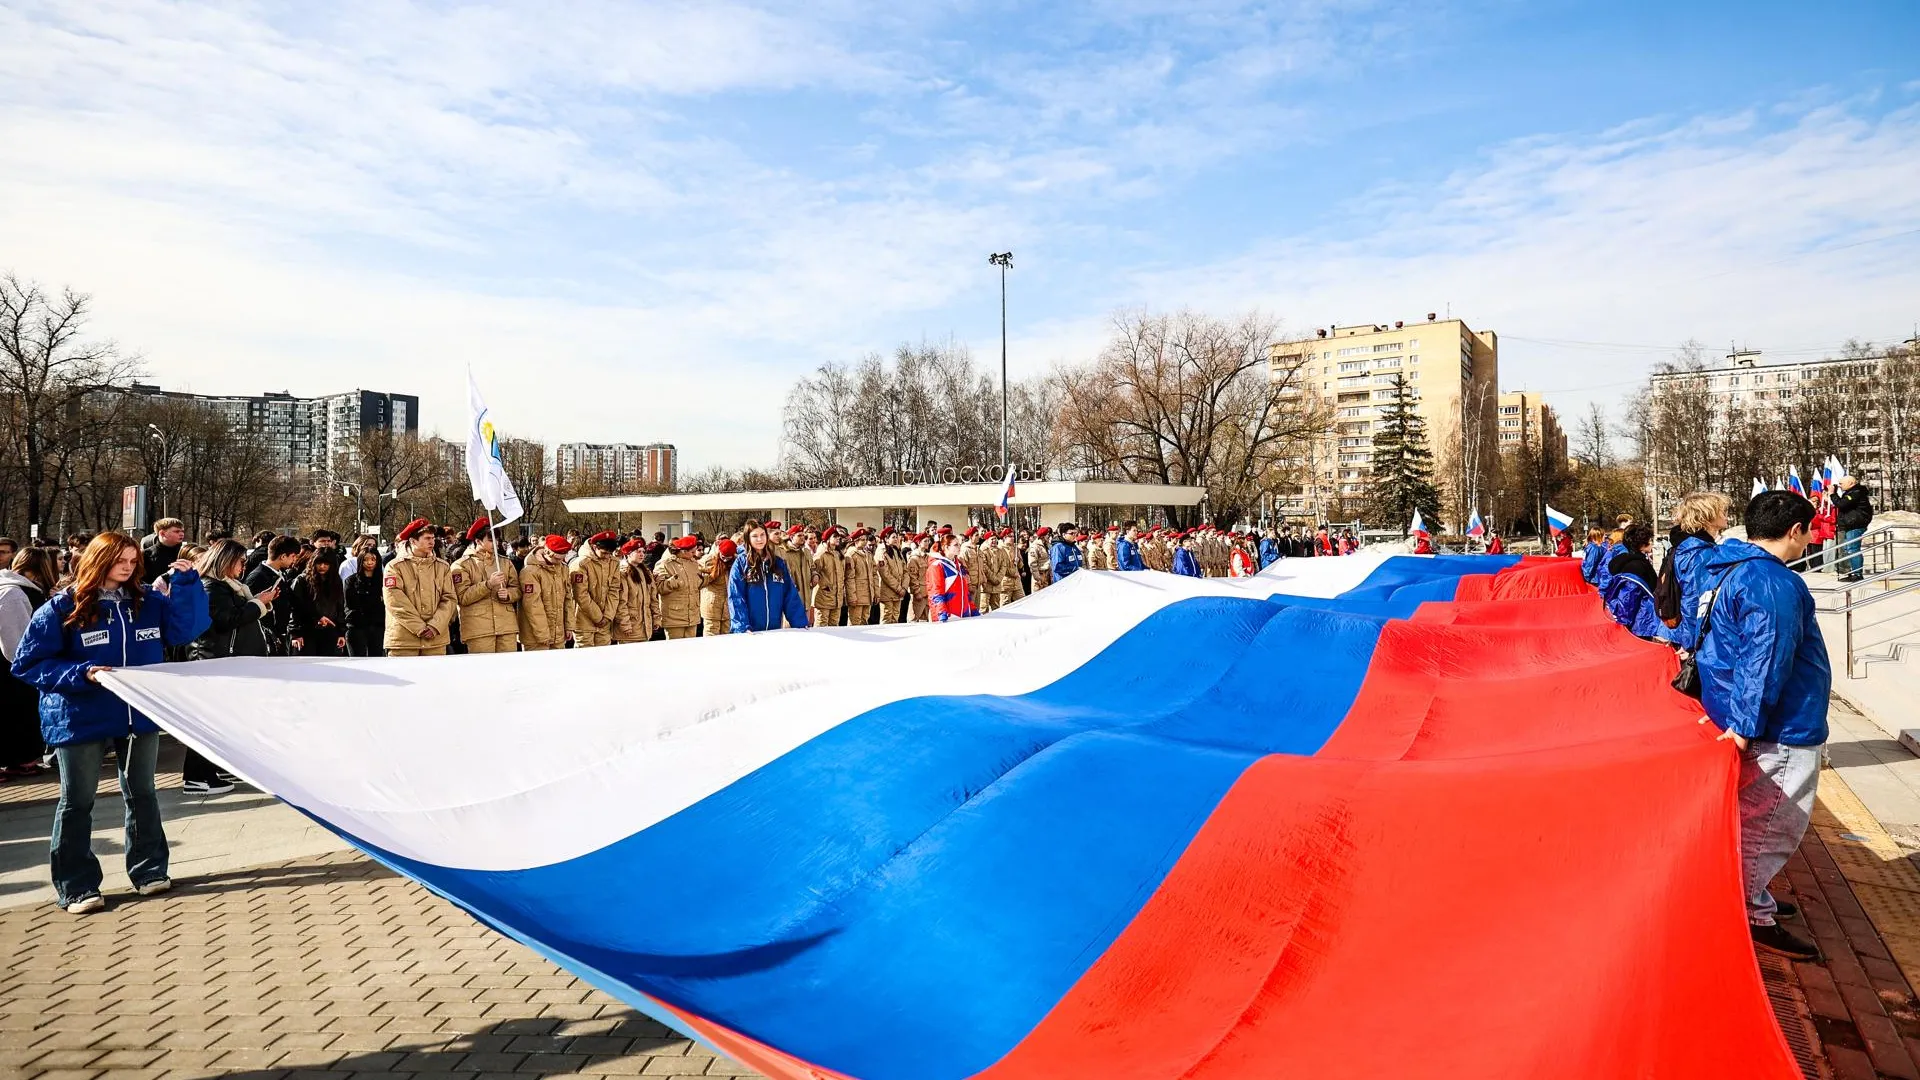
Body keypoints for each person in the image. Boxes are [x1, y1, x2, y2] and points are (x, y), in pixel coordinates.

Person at [13, 531, 209, 913]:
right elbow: (29, 663)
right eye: (120, 559)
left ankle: (149, 871)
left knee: (143, 793)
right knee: (77, 801)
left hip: (138, 714)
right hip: (80, 716)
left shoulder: (148, 601)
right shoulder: (61, 607)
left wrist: (187, 585)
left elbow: (186, 630)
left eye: (133, 561)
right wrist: (81, 675)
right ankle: (77, 886)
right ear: (97, 559)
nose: (127, 567)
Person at [1696, 491, 1829, 961]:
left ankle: (1751, 892)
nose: (1812, 540)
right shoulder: (1772, 582)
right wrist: (1747, 725)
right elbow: (1765, 657)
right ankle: (1751, 909)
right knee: (1773, 822)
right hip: (1782, 726)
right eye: (1810, 530)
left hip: (1752, 717)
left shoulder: (1731, 568)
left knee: (1754, 818)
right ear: (1794, 530)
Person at [0, 548, 58, 779]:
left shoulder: (15, 589)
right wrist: (27, 662)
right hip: (12, 667)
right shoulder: (13, 593)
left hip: (16, 665)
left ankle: (19, 758)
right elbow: (16, 636)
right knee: (15, 714)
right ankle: (16, 759)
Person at [382, 518, 456, 657]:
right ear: (413, 541)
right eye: (427, 538)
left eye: (433, 538)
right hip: (404, 639)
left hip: (435, 640)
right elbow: (394, 601)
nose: (431, 542)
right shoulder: (394, 566)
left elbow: (450, 598)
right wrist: (419, 627)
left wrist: (435, 626)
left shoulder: (442, 567)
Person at [1665, 492, 1729, 650]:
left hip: (1691, 635)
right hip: (1700, 641)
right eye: (1722, 511)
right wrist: (1694, 645)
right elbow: (1695, 600)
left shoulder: (1689, 546)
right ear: (1707, 516)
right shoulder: (1699, 553)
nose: (1726, 515)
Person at [451, 518, 519, 654]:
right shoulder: (461, 565)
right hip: (478, 629)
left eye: (497, 540)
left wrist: (509, 594)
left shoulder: (505, 562)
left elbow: (517, 588)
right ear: (478, 541)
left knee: (508, 669)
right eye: (491, 540)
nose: (496, 543)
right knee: (483, 671)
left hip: (506, 626)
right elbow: (462, 597)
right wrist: (488, 585)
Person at [729, 525, 810, 633]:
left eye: (762, 535)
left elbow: (790, 595)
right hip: (750, 632)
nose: (760, 539)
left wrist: (800, 623)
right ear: (748, 538)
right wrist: (742, 627)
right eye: (755, 536)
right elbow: (736, 597)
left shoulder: (778, 563)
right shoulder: (741, 564)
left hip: (774, 630)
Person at [1602, 526, 1670, 642]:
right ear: (1641, 544)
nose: (1651, 543)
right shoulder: (1636, 567)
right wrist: (1624, 622)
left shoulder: (1635, 562)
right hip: (1640, 622)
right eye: (1649, 540)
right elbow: (1629, 597)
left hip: (1639, 620)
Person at [518, 535, 574, 651]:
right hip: (535, 637)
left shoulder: (563, 568)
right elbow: (533, 605)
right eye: (557, 559)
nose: (560, 562)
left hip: (558, 634)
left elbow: (568, 598)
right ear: (547, 551)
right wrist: (542, 634)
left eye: (562, 559)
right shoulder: (530, 571)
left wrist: (569, 626)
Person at [290, 548, 348, 657]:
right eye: (319, 563)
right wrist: (295, 633)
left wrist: (341, 632)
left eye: (326, 564)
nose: (322, 566)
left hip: (330, 631)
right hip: (306, 631)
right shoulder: (302, 580)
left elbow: (340, 607)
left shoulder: (336, 581)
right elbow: (295, 608)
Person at [569, 531, 621, 647]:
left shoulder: (614, 562)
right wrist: (598, 617)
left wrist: (608, 615)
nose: (607, 556)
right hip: (583, 620)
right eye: (604, 553)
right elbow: (580, 595)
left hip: (605, 620)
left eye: (609, 553)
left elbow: (615, 590)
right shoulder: (581, 564)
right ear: (594, 547)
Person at [654, 535, 704, 639]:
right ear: (683, 551)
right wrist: (674, 582)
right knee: (675, 651)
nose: (695, 554)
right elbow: (659, 588)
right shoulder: (665, 564)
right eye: (692, 552)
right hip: (674, 618)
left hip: (692, 616)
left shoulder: (694, 564)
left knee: (691, 651)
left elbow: (697, 584)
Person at [612, 539, 659, 644]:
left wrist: (656, 619)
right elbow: (621, 602)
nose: (642, 554)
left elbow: (653, 599)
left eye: (643, 551)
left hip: (644, 627)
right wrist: (625, 624)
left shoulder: (646, 572)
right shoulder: (623, 573)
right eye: (638, 552)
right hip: (629, 629)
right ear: (628, 554)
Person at [343, 549, 386, 657]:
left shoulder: (383, 581)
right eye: (366, 559)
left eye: (373, 559)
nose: (370, 562)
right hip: (357, 626)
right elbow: (349, 604)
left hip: (378, 626)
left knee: (377, 659)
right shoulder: (351, 581)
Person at [1830, 475, 1873, 582]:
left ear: (1851, 483)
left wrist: (1832, 494)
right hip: (1850, 524)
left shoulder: (1856, 492)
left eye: (1841, 484)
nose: (1839, 486)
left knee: (1853, 549)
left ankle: (1857, 574)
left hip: (1855, 524)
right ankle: (1853, 572)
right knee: (1848, 549)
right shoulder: (1851, 492)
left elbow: (1841, 504)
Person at [927, 534, 977, 622]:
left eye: (959, 544)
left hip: (963, 613)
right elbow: (936, 591)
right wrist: (941, 612)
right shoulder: (937, 566)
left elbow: (964, 590)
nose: (959, 547)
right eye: (955, 545)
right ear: (946, 547)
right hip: (948, 615)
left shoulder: (959, 564)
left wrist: (972, 608)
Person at [699, 537, 736, 636]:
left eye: (728, 558)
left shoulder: (735, 562)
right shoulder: (708, 560)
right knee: (711, 634)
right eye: (723, 556)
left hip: (728, 606)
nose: (725, 559)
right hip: (711, 605)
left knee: (727, 634)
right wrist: (711, 576)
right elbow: (698, 581)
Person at [811, 527, 846, 629]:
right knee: (821, 624)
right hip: (824, 596)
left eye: (838, 537)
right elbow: (814, 571)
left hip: (837, 596)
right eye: (835, 537)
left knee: (834, 625)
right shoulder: (822, 553)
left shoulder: (838, 553)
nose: (838, 539)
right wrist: (823, 585)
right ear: (827, 539)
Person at [140, 518, 186, 583]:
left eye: (182, 531)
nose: (182, 534)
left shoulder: (185, 553)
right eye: (177, 531)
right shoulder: (146, 555)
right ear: (162, 533)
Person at [876, 534, 908, 622]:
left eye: (896, 537)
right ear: (886, 539)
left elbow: (905, 571)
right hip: (888, 592)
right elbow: (885, 574)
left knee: (895, 617)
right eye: (893, 537)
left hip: (899, 592)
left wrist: (904, 587)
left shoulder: (897, 552)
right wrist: (898, 589)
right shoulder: (882, 552)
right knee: (887, 617)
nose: (896, 539)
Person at [904, 535, 931, 622]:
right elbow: (912, 576)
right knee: (914, 618)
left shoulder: (927, 556)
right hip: (919, 592)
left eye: (928, 541)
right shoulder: (914, 558)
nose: (928, 543)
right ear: (919, 543)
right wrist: (916, 591)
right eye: (925, 541)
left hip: (927, 591)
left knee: (925, 618)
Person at [1806, 495, 1835, 573]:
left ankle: (1817, 567)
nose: (1814, 502)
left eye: (1815, 501)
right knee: (1811, 552)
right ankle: (1812, 566)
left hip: (1817, 534)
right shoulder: (1810, 511)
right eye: (1812, 501)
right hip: (1811, 535)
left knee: (1817, 551)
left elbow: (1817, 522)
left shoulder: (1820, 511)